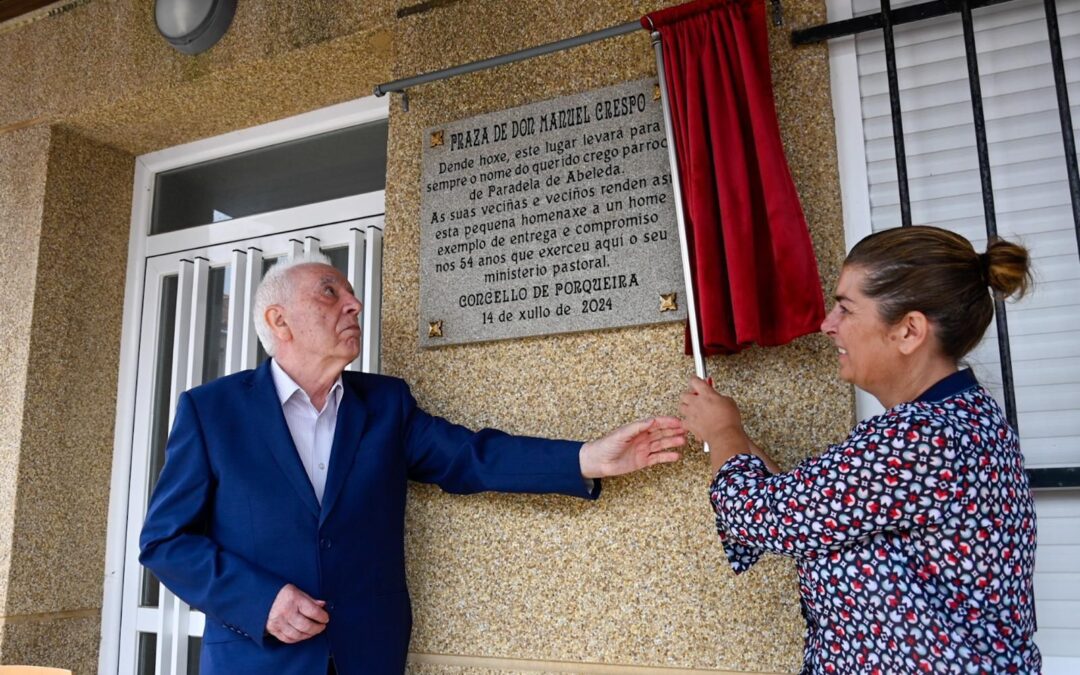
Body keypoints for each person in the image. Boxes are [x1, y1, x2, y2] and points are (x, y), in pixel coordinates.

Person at [140, 254, 685, 675]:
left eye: (351, 294)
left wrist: (586, 457)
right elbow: (165, 542)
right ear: (278, 320)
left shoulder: (385, 405)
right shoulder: (211, 412)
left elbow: (471, 457)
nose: (354, 304)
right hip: (255, 660)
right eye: (330, 292)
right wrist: (261, 601)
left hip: (368, 655)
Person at [680, 226, 1040, 674]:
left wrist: (723, 433)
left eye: (846, 309)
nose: (827, 324)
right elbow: (799, 510)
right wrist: (737, 439)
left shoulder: (920, 439)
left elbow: (754, 517)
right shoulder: (962, 418)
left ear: (908, 331)